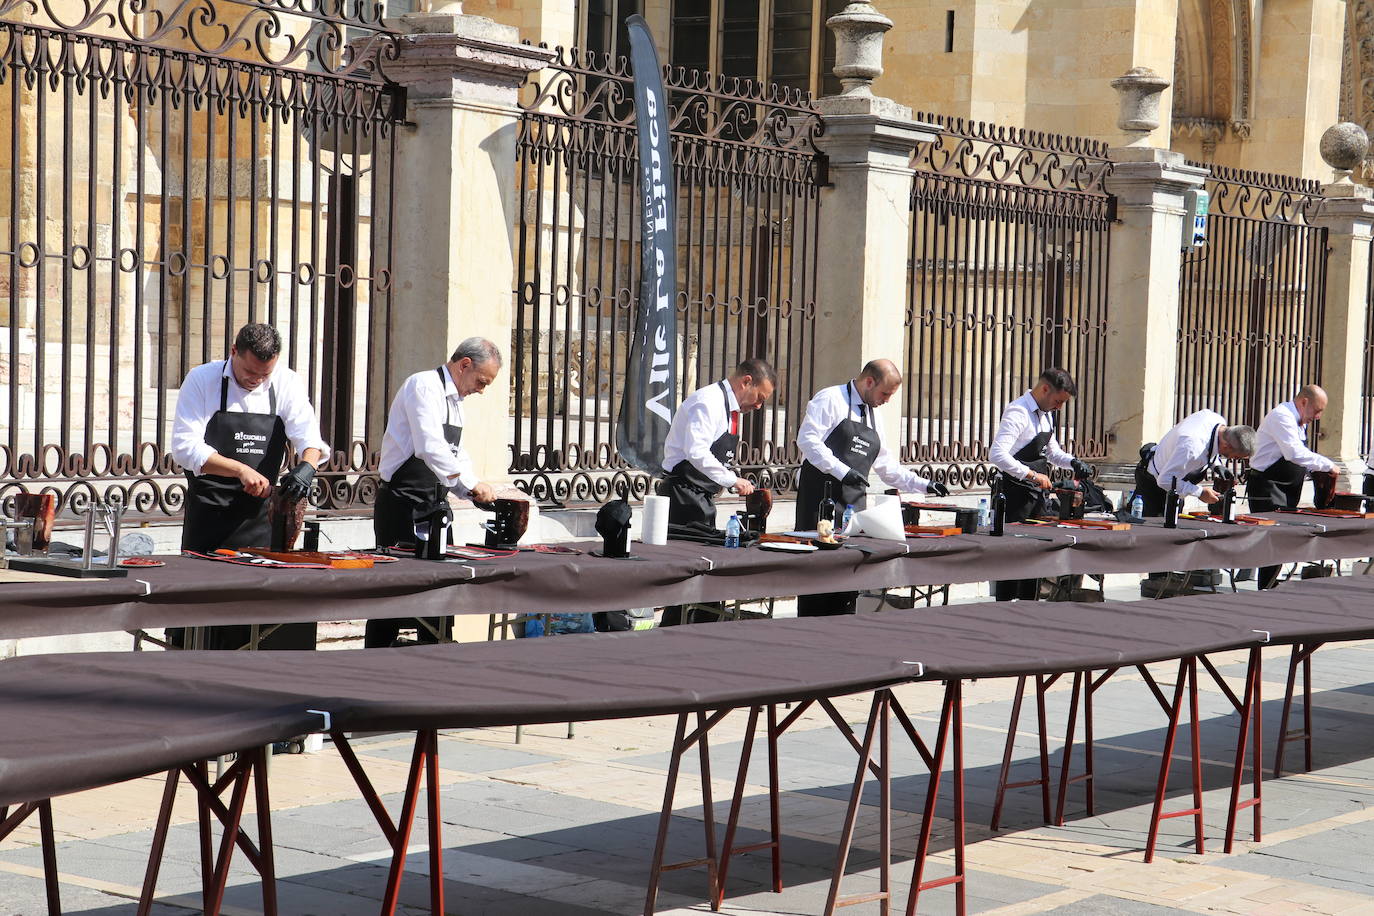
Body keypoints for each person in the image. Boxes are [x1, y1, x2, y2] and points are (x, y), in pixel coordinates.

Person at [170, 322, 328, 648]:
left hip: (260, 520)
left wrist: (307, 467)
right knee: (202, 616)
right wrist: (240, 470)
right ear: (233, 353)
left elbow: (311, 438)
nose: (256, 380)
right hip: (210, 516)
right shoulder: (202, 379)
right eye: (249, 372)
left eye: (264, 375)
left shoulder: (286, 382)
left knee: (253, 617)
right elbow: (185, 448)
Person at [367, 337, 502, 647]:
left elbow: (455, 453)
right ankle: (375, 661)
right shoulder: (423, 386)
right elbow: (431, 447)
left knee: (442, 593)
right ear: (464, 364)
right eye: (481, 381)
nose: (481, 390)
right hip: (402, 503)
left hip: (434, 506)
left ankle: (437, 660)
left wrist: (473, 491)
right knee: (392, 595)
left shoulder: (457, 404)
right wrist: (469, 485)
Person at [794, 359, 949, 616]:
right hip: (818, 503)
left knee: (847, 580)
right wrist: (843, 472)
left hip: (853, 509)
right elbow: (807, 441)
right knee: (817, 581)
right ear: (868, 382)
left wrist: (924, 484)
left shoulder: (874, 416)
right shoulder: (830, 399)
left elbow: (887, 467)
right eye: (885, 393)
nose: (887, 400)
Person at [658, 358, 776, 625]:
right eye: (759, 397)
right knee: (687, 572)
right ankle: (673, 630)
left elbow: (716, 455)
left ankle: (700, 626)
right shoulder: (708, 402)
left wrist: (730, 477)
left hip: (701, 497)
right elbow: (696, 450)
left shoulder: (730, 410)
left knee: (705, 570)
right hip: (682, 495)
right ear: (746, 381)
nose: (759, 406)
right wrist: (731, 480)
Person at [988, 368, 1092, 601]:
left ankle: (1029, 605)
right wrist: (1031, 475)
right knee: (1013, 557)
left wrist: (1073, 462)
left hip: (1036, 498)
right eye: (1058, 401)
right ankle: (1004, 607)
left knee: (1036, 555)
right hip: (1014, 495)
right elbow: (997, 454)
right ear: (1044, 389)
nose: (1059, 408)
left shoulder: (1046, 415)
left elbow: (1053, 453)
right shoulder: (1018, 412)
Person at [1249, 385, 1337, 588]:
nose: (1317, 417)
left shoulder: (1298, 420)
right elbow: (1294, 454)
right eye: (1317, 410)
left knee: (1280, 542)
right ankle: (1266, 588)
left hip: (1286, 488)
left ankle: (1271, 585)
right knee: (1272, 541)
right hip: (1268, 487)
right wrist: (1328, 465)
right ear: (1304, 402)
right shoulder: (1282, 416)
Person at [1134, 410, 1255, 516]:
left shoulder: (1216, 421)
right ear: (1227, 445)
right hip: (1153, 485)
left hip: (1175, 484)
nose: (1234, 460)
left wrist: (1216, 465)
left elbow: (1212, 444)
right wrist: (1200, 492)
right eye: (1236, 457)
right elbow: (1165, 480)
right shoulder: (1192, 448)